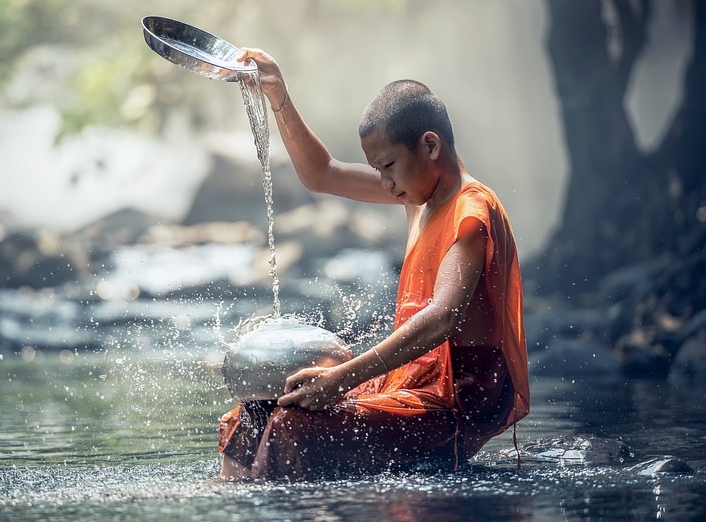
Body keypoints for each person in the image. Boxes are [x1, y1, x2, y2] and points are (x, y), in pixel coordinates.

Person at [218, 48, 530, 481]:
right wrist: (277, 94)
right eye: (376, 170)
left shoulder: (470, 210)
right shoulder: (417, 192)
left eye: (387, 167)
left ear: (430, 145)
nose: (385, 184)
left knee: (291, 425)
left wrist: (342, 379)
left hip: (453, 403)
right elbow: (322, 173)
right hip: (408, 384)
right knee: (251, 414)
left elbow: (443, 318)